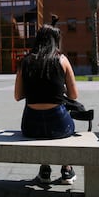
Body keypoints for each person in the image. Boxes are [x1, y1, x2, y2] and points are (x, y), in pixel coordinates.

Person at [14, 18, 78, 185]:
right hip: (59, 124)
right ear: (56, 41)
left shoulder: (25, 61)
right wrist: (59, 88)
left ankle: (44, 169)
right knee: (63, 122)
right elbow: (73, 96)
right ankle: (67, 169)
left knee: (42, 130)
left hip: (31, 126)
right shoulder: (62, 60)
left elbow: (17, 96)